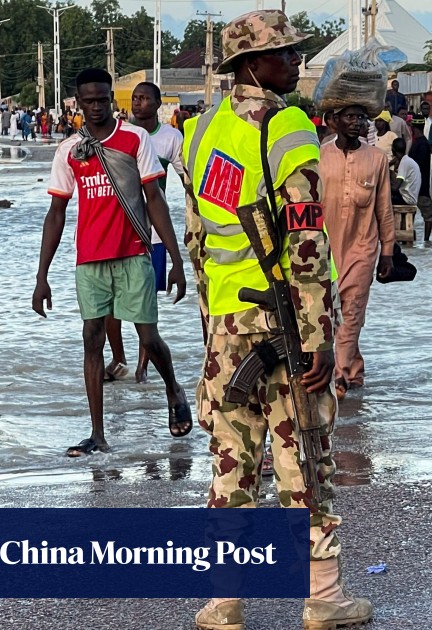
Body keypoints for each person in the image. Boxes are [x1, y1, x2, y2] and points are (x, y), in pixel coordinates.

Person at [180, 10, 371, 629]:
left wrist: (214, 324)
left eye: (295, 53)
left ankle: (225, 601)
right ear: (248, 65)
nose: (295, 63)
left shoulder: (200, 129)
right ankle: (323, 598)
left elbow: (198, 239)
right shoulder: (288, 126)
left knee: (231, 463)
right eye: (283, 55)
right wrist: (318, 337)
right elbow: (306, 240)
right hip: (284, 322)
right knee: (304, 461)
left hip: (228, 326)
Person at [32, 67, 193, 457]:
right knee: (91, 339)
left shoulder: (135, 139)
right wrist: (42, 276)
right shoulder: (69, 150)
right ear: (78, 103)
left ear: (110, 100)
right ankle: (97, 434)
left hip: (134, 253)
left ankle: (173, 388)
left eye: (103, 99)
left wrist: (175, 258)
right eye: (88, 101)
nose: (96, 107)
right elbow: (56, 212)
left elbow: (154, 198)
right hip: (90, 259)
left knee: (148, 338)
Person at [104, 81, 186, 384]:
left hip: (152, 236)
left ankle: (143, 365)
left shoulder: (170, 138)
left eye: (144, 99)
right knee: (110, 302)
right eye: (135, 99)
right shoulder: (119, 135)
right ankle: (118, 357)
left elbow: (186, 178)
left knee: (144, 304)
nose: (138, 103)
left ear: (157, 103)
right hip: (118, 231)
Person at [320, 104, 394, 399]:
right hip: (324, 251)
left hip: (362, 249)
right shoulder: (318, 156)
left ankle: (338, 377)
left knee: (351, 313)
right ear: (334, 121)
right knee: (329, 314)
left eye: (361, 117)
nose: (357, 122)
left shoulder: (376, 159)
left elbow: (384, 208)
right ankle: (353, 369)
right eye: (349, 116)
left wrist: (387, 250)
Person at [407, 121, 432, 242]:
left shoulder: (420, 144)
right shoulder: (422, 143)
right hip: (421, 187)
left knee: (423, 215)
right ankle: (425, 241)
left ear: (413, 128)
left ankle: (420, 240)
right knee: (426, 216)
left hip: (416, 187)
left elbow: (417, 165)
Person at [390, 137, 420, 207]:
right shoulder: (407, 160)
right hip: (410, 196)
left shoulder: (404, 163)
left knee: (381, 198)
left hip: (407, 199)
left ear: (393, 150)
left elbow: (395, 188)